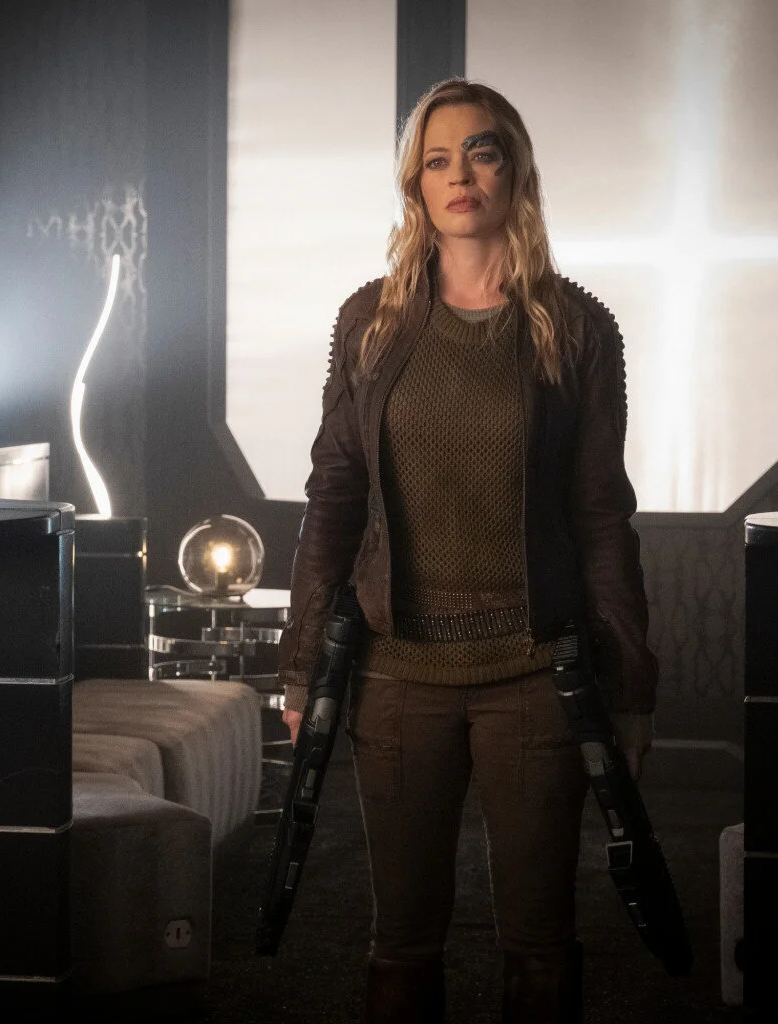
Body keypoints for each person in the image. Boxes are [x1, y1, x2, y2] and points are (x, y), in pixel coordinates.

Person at [275, 78, 659, 1024]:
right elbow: (334, 497)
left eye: (481, 152)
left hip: (537, 670)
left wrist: (630, 687)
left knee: (539, 941)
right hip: (395, 672)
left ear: (514, 170)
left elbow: (602, 515)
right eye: (437, 159)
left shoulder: (576, 326)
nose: (460, 176)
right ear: (415, 183)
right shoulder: (371, 321)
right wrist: (299, 668)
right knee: (402, 942)